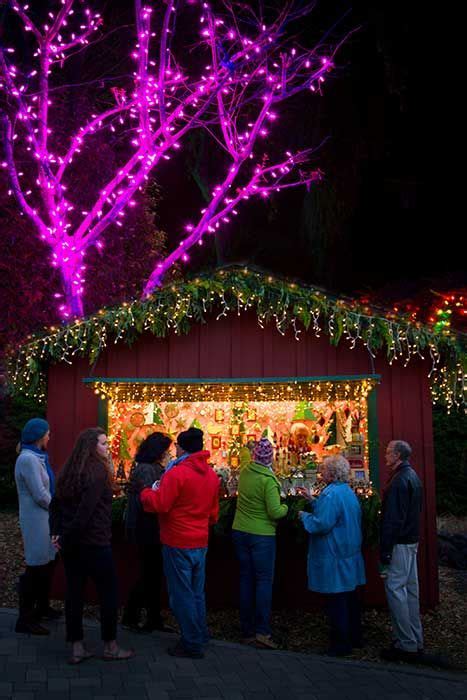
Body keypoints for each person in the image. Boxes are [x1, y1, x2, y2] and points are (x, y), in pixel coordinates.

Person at [50, 428, 134, 664]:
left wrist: (57, 533)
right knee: (108, 593)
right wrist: (63, 536)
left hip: (72, 544)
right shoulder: (96, 471)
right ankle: (110, 645)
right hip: (94, 543)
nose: (107, 447)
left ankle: (76, 647)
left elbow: (55, 504)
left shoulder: (69, 470)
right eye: (104, 444)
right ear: (91, 446)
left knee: (74, 594)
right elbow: (85, 513)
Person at [140, 427, 219, 659]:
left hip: (177, 540)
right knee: (196, 592)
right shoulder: (212, 475)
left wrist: (146, 493)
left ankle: (191, 642)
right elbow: (214, 514)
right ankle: (200, 634)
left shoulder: (177, 474)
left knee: (181, 594)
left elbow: (161, 504)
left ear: (181, 447)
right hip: (200, 541)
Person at [298, 455, 366, 656]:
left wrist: (304, 516)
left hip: (334, 553)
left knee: (336, 599)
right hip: (349, 552)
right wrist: (313, 500)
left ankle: (340, 643)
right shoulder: (347, 492)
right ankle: (355, 637)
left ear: (332, 473)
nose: (321, 472)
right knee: (350, 597)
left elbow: (322, 524)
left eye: (324, 469)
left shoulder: (330, 495)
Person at [231, 438, 288, 649]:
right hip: (262, 535)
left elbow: (244, 455)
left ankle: (246, 630)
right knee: (263, 582)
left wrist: (247, 445)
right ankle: (262, 631)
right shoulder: (269, 481)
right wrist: (287, 508)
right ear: (271, 458)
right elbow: (275, 511)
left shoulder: (245, 471)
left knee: (246, 580)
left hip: (240, 531)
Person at [122, 431, 174, 632]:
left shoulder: (148, 468)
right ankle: (132, 616)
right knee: (148, 574)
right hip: (146, 528)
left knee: (152, 574)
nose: (168, 454)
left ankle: (152, 618)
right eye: (166, 450)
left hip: (148, 527)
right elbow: (149, 500)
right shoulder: (147, 470)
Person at [14, 418, 60, 635]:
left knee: (47, 564)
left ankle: (42, 608)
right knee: (36, 567)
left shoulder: (38, 458)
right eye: (48, 433)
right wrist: (60, 508)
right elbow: (40, 494)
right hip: (36, 520)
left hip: (45, 518)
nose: (50, 437)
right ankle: (25, 619)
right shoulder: (28, 460)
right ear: (39, 435)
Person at [379, 440, 424, 662]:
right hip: (412, 540)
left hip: (400, 543)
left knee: (396, 590)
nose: (385, 455)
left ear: (397, 455)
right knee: (411, 591)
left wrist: (385, 551)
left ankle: (406, 644)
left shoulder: (398, 482)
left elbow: (393, 520)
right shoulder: (413, 476)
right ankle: (415, 639)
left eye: (388, 452)